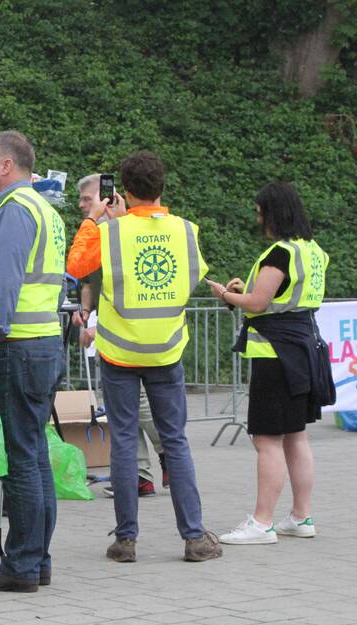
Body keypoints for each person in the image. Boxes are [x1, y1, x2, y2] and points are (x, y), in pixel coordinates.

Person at [67, 150, 221, 563]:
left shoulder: (111, 232)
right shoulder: (185, 230)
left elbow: (76, 266)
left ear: (124, 191)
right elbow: (191, 278)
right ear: (161, 186)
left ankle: (126, 540)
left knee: (122, 441)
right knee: (176, 441)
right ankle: (194, 537)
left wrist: (95, 220)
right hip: (166, 350)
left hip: (120, 352)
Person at [0, 131, 66, 593]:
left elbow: (4, 282)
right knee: (34, 455)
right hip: (40, 343)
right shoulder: (44, 209)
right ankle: (36, 559)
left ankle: (21, 565)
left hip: (15, 346)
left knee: (20, 460)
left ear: (6, 165)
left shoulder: (15, 210)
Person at [206, 182, 332, 545]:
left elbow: (259, 303)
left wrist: (225, 294)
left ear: (274, 213)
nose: (258, 218)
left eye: (260, 212)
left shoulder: (280, 253)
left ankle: (262, 523)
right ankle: (301, 517)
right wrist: (241, 293)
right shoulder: (314, 251)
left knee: (267, 440)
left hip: (275, 355)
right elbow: (283, 297)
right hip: (304, 350)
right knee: (296, 436)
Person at [72, 174, 167, 498]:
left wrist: (98, 327)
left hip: (132, 333)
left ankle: (168, 452)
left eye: (87, 199)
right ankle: (140, 475)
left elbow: (133, 288)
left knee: (135, 405)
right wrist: (86, 312)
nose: (82, 205)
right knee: (121, 409)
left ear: (106, 197)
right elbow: (89, 280)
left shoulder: (124, 231)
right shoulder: (98, 231)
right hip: (110, 330)